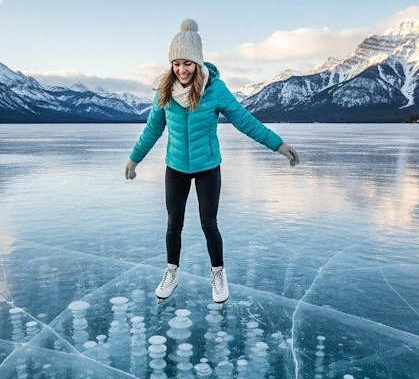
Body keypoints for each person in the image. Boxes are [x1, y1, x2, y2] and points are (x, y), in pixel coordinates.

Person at [124, 18, 300, 304]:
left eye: (188, 63)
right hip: (176, 167)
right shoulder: (164, 93)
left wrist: (278, 144)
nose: (182, 70)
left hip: (208, 168)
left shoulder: (215, 90)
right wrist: (134, 159)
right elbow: (152, 129)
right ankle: (172, 271)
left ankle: (218, 273)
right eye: (177, 63)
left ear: (198, 64)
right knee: (173, 223)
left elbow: (245, 121)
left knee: (209, 223)